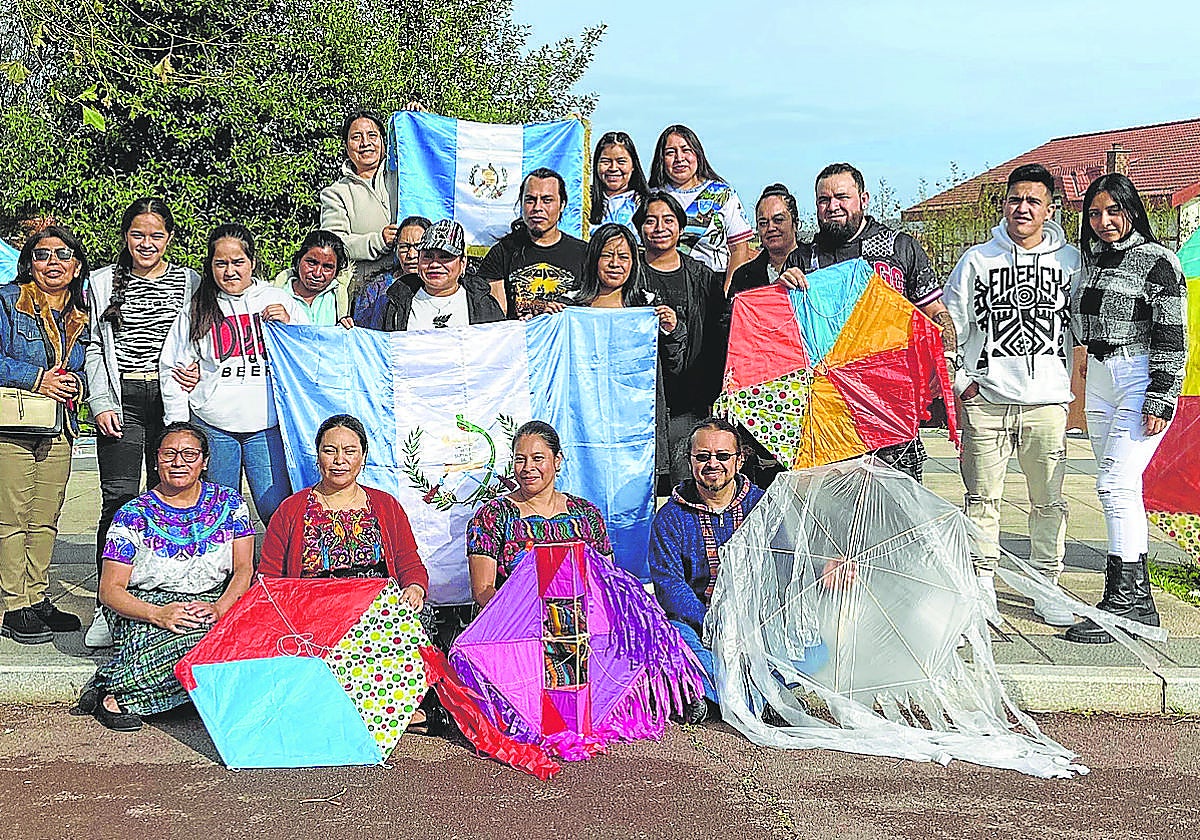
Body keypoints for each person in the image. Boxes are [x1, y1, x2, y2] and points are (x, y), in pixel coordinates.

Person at [943, 164, 1080, 625]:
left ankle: (1047, 585)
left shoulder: (1071, 262)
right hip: (988, 403)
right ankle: (983, 587)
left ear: (1049, 207)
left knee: (1049, 501)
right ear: (1004, 202)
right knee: (982, 499)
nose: (1023, 208)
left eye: (1033, 201)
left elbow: (1082, 329)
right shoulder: (977, 260)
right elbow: (950, 326)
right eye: (1015, 198)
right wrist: (963, 382)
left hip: (1045, 403)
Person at [1065, 173, 1188, 644]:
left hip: (1137, 376)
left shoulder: (1157, 262)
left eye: (1114, 210)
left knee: (1113, 483)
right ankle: (1140, 605)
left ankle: (1124, 600)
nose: (1104, 221)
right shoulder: (1088, 263)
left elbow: (1173, 336)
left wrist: (1160, 395)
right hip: (1097, 379)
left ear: (1133, 211)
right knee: (1123, 488)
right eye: (1095, 213)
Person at [780, 162, 958, 482]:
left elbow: (937, 314)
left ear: (863, 198)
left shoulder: (899, 247)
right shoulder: (803, 259)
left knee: (895, 519)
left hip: (892, 411)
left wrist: (946, 362)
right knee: (833, 520)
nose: (832, 206)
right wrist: (783, 289)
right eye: (823, 200)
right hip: (830, 415)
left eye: (842, 197)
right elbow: (787, 336)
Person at [79, 422, 254, 731]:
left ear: (205, 461)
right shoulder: (132, 514)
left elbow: (243, 570)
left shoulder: (232, 504)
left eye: (189, 454)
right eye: (169, 454)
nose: (178, 462)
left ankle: (110, 685)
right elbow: (110, 590)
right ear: (156, 459)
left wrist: (220, 609)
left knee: (230, 640)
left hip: (214, 599)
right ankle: (118, 700)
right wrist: (157, 614)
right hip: (145, 605)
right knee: (197, 642)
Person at [83, 198, 198, 648]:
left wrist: (196, 371)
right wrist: (100, 401)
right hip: (121, 401)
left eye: (156, 236)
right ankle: (107, 604)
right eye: (137, 235)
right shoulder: (101, 282)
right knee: (118, 500)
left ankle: (157, 592)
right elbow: (94, 346)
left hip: (170, 404)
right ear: (126, 237)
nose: (146, 243)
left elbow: (206, 337)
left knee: (166, 497)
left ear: (169, 239)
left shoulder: (188, 281)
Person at [159, 223, 308, 524]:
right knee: (219, 512)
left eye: (238, 262)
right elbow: (173, 367)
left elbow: (311, 352)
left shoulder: (277, 300)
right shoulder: (196, 308)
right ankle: (228, 570)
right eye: (221, 263)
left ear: (252, 262)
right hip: (214, 425)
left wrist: (291, 325)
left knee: (274, 507)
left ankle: (277, 570)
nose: (230, 271)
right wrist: (178, 427)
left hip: (265, 424)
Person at [0, 226, 90, 644]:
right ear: (29, 262)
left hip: (59, 425)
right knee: (11, 518)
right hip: (13, 425)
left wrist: (77, 385)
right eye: (41, 254)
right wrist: (37, 378)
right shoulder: (7, 301)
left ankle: (36, 596)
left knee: (45, 518)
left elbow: (86, 367)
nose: (52, 262)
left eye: (62, 254)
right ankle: (13, 604)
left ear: (75, 265)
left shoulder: (80, 312)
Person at [648, 417, 764, 722]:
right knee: (671, 637)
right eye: (703, 456)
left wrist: (824, 565)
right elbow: (669, 585)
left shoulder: (764, 506)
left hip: (754, 620)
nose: (713, 464)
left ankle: (703, 691)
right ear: (690, 461)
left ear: (739, 461)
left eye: (723, 456)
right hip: (698, 623)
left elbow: (789, 559)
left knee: (815, 649)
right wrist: (710, 622)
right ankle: (755, 695)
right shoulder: (671, 517)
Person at [559, 223, 686, 477]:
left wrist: (672, 331)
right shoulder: (569, 307)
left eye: (624, 256)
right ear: (594, 258)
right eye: (607, 255)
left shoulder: (647, 306)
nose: (615, 263)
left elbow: (675, 365)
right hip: (582, 429)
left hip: (637, 434)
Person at [260, 414, 427, 598]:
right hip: (312, 615)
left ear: (363, 457)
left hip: (377, 615)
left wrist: (414, 588)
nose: (339, 460)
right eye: (330, 451)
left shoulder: (387, 506)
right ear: (318, 456)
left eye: (349, 451)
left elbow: (409, 563)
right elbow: (268, 577)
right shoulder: (290, 510)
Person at [466, 421, 612, 607]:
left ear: (557, 460)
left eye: (537, 458)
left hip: (583, 627)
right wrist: (531, 620)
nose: (528, 467)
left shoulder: (587, 515)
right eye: (520, 459)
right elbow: (483, 591)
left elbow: (606, 580)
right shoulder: (493, 516)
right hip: (516, 625)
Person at [723, 184, 811, 487]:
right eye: (763, 222)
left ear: (795, 222)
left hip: (806, 389)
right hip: (760, 393)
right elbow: (731, 331)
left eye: (778, 219)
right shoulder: (745, 275)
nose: (770, 228)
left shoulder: (816, 265)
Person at [635, 191, 727, 485]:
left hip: (690, 406)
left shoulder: (703, 277)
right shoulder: (629, 274)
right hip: (641, 405)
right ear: (640, 227)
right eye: (650, 221)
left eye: (668, 220)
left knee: (688, 489)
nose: (659, 227)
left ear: (681, 227)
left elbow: (719, 336)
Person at [647, 124, 753, 288]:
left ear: (697, 154)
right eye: (670, 153)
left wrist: (728, 292)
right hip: (660, 285)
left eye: (686, 150)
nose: (679, 158)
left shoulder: (722, 195)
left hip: (712, 286)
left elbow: (739, 249)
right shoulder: (649, 198)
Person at [477, 167, 587, 319]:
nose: (537, 208)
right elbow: (497, 319)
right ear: (521, 203)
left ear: (562, 205)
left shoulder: (584, 253)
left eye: (547, 200)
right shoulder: (502, 252)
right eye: (530, 200)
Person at [319, 111, 398, 290]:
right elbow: (334, 244)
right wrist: (378, 241)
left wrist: (420, 119)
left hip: (413, 281)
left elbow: (429, 156)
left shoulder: (404, 176)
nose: (365, 143)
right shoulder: (336, 193)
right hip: (365, 289)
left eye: (372, 135)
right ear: (347, 147)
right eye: (356, 137)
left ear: (383, 141)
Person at [380, 219, 505, 330]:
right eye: (427, 256)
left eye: (445, 257)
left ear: (463, 262)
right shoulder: (397, 301)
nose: (434, 264)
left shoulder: (484, 305)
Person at [352, 216, 431, 330]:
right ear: (396, 250)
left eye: (418, 247)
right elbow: (362, 333)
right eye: (404, 247)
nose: (411, 255)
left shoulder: (439, 287)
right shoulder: (375, 289)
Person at [271, 229, 354, 327]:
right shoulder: (279, 294)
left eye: (327, 267)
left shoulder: (338, 297)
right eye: (311, 263)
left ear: (336, 271)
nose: (317, 273)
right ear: (298, 260)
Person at [588, 131, 651, 238]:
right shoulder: (584, 203)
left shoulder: (645, 204)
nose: (613, 168)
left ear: (633, 166)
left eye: (621, 162)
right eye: (606, 161)